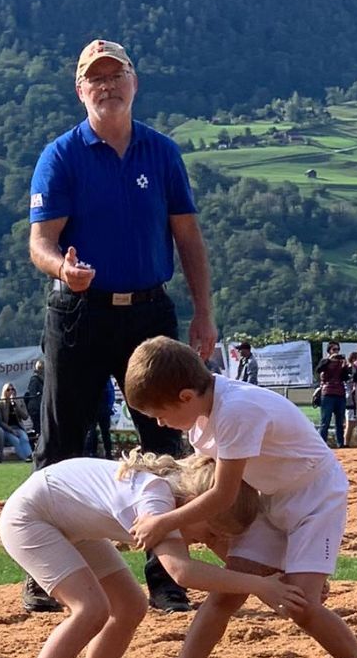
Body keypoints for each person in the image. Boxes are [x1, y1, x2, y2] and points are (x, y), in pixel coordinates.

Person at [121, 337, 357, 658]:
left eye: (159, 414)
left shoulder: (236, 411)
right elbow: (223, 491)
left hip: (314, 499)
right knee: (225, 596)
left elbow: (222, 496)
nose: (159, 423)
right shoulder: (202, 419)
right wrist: (248, 565)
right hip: (269, 499)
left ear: (185, 396)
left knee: (300, 606)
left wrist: (163, 522)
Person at [26, 37, 216, 616]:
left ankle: (167, 578)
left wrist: (204, 312)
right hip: (79, 312)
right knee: (62, 443)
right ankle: (46, 577)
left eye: (116, 75)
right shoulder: (62, 155)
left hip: (149, 312)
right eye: (96, 78)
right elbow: (40, 242)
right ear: (80, 89)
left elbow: (188, 237)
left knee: (165, 444)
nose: (107, 86)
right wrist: (64, 269)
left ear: (134, 83)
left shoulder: (161, 152)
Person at [0, 452, 307, 658]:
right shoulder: (155, 500)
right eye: (210, 533)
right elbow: (182, 572)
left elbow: (229, 556)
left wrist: (283, 578)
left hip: (71, 522)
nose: (207, 542)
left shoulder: (177, 500)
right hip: (30, 519)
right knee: (91, 609)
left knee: (130, 606)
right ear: (193, 505)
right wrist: (260, 585)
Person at [318, 342, 349, 447]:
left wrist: (345, 367)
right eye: (334, 349)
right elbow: (319, 369)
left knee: (340, 422)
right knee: (325, 421)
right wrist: (329, 360)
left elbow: (345, 377)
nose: (336, 352)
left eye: (337, 349)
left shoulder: (341, 362)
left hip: (340, 393)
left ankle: (340, 444)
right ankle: (322, 444)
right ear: (329, 351)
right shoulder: (325, 361)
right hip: (328, 393)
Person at [0, 383, 35, 461]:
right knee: (16, 440)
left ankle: (30, 456)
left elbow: (25, 417)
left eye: (12, 389)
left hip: (18, 427)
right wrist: (11, 430)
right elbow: (0, 421)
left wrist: (15, 405)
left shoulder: (20, 401)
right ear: (4, 391)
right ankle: (24, 458)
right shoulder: (0, 403)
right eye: (8, 390)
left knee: (24, 438)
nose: (11, 391)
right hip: (7, 429)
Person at [83, 377, 115, 460]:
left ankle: (105, 453)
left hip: (100, 409)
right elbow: (111, 394)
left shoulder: (104, 380)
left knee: (100, 432)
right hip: (97, 410)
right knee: (95, 432)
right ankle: (96, 453)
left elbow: (111, 394)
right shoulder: (105, 380)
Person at [23, 357, 45, 448]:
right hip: (36, 409)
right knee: (38, 429)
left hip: (41, 407)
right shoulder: (34, 380)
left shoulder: (43, 379)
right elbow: (33, 395)